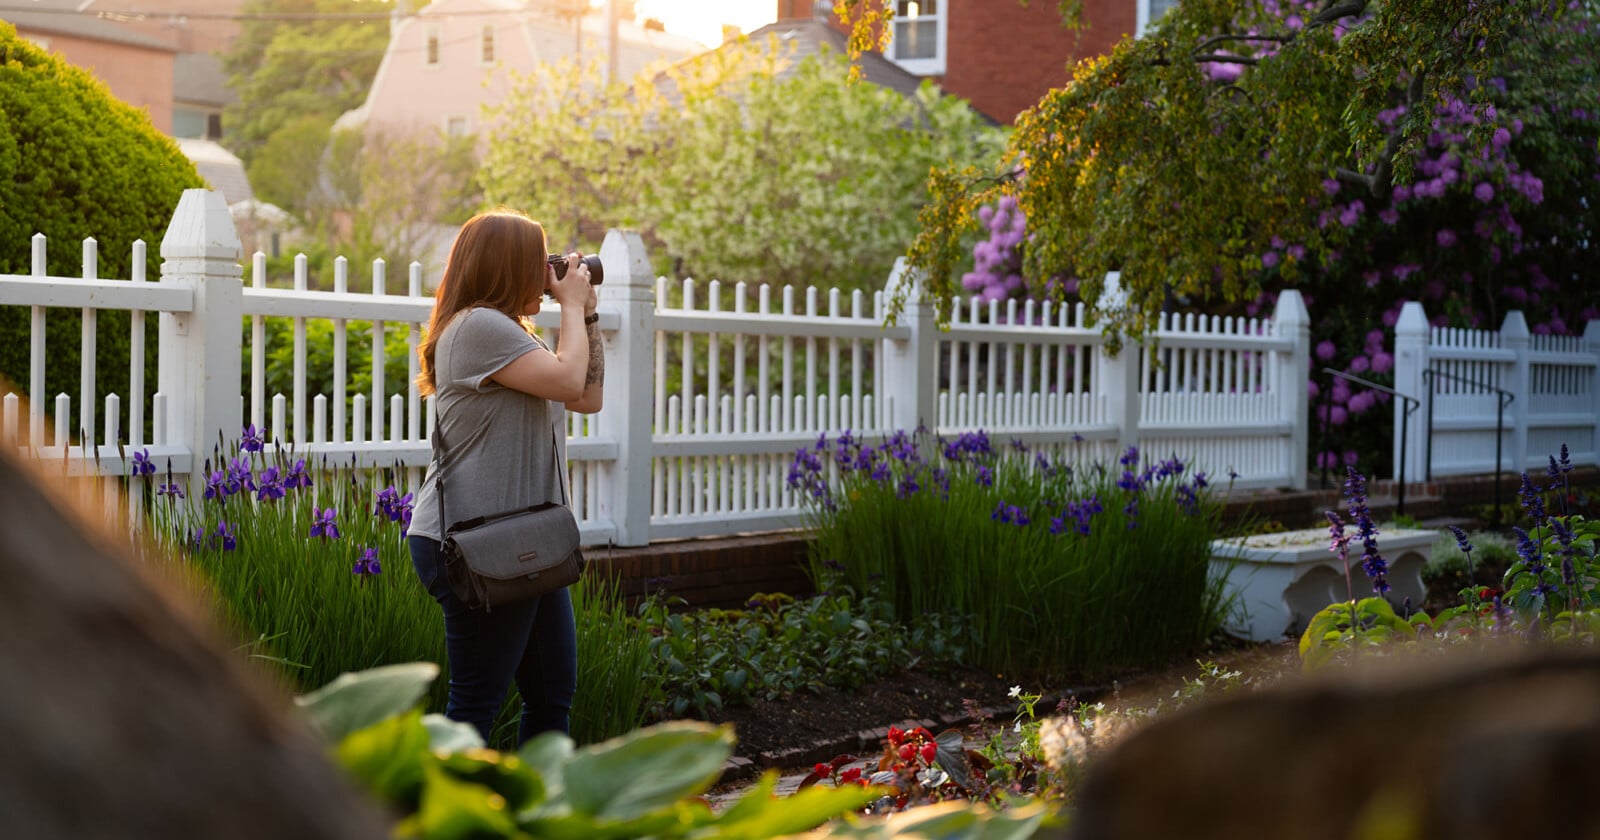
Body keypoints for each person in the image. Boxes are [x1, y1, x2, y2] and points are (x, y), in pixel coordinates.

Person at [406, 209, 604, 745]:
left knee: (551, 697)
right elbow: (569, 381)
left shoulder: (513, 334)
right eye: (538, 261)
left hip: (523, 537)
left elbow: (587, 396)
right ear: (507, 265)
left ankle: (536, 818)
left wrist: (584, 317)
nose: (548, 271)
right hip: (476, 543)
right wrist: (568, 303)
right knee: (475, 706)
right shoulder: (477, 327)